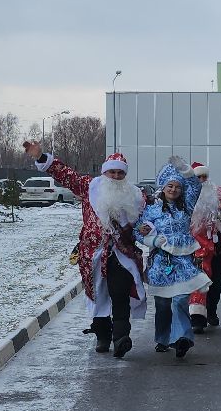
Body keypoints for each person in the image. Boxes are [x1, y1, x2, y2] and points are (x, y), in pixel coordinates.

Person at [23, 141, 147, 358]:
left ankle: (120, 338)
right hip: (93, 253)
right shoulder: (90, 186)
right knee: (98, 294)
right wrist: (42, 157)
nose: (116, 176)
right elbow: (66, 174)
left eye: (120, 173)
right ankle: (102, 336)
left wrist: (148, 230)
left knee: (120, 294)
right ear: (104, 172)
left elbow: (145, 220)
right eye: (112, 172)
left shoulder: (135, 195)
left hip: (123, 252)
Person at [138, 163, 210, 360]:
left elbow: (195, 187)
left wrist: (187, 171)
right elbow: (139, 230)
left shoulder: (186, 206)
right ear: (163, 187)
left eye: (177, 187)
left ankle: (182, 339)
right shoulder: (152, 209)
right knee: (162, 303)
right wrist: (150, 237)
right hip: (161, 262)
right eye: (170, 186)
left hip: (183, 260)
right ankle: (162, 338)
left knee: (180, 300)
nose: (174, 190)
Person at [188, 177, 221, 333]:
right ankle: (197, 319)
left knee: (216, 282)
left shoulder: (218, 194)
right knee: (199, 282)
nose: (200, 181)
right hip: (196, 248)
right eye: (197, 178)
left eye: (203, 177)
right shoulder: (185, 196)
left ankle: (211, 310)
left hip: (218, 246)